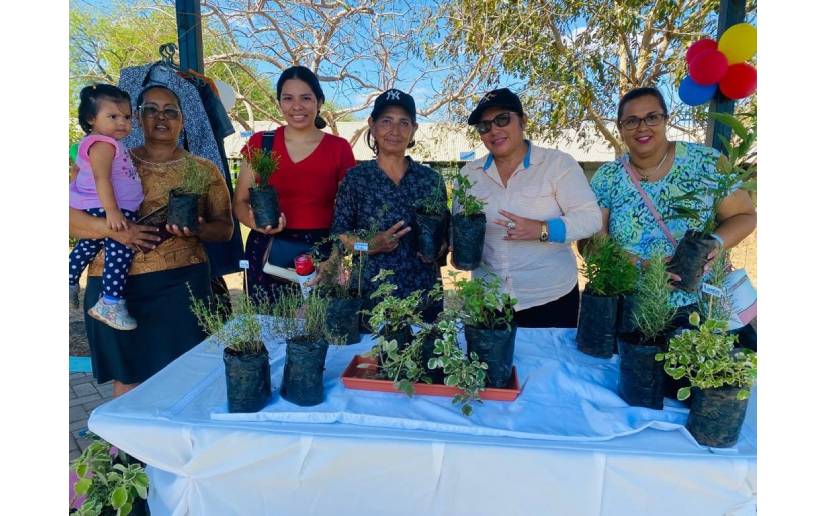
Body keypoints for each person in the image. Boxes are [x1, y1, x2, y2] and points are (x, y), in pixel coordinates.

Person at [69, 84, 234, 397]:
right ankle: (128, 435)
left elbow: (225, 229)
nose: (161, 117)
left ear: (183, 120)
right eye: (151, 110)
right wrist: (117, 230)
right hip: (115, 292)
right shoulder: (103, 156)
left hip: (182, 286)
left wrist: (197, 229)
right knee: (129, 381)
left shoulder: (204, 170)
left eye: (171, 111)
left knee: (188, 378)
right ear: (138, 117)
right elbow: (70, 218)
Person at [589, 86, 756, 331]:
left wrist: (715, 244)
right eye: (631, 121)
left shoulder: (707, 163)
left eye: (652, 117)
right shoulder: (608, 177)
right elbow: (594, 242)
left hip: (702, 306)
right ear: (620, 128)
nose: (642, 127)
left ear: (666, 119)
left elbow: (745, 215)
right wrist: (640, 265)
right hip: (632, 306)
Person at [459, 88, 602, 328]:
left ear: (523, 121)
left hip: (550, 298)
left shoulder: (558, 164)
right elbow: (461, 229)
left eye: (502, 119)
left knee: (550, 354)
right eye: (484, 126)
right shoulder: (468, 175)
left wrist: (542, 229)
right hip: (488, 299)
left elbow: (591, 219)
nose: (494, 130)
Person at [234, 66, 356, 301]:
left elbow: (349, 212)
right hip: (267, 250)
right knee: (266, 319)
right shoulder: (261, 143)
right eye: (288, 98)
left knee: (319, 320)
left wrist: (335, 257)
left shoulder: (339, 148)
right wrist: (255, 223)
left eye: (306, 98)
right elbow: (240, 201)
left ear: (319, 102)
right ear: (279, 103)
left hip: (320, 253)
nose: (297, 106)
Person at [331, 88, 448, 321]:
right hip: (370, 299)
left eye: (404, 122)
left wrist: (440, 246)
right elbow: (341, 237)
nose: (395, 130)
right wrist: (369, 244)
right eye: (386, 121)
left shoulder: (430, 180)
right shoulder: (356, 179)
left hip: (423, 297)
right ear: (372, 126)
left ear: (414, 129)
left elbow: (443, 237)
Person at [69, 84, 145, 330]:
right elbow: (102, 178)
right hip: (107, 207)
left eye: (127, 117)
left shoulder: (107, 142)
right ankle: (110, 302)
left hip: (104, 206)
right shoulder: (102, 144)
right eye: (113, 116)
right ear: (91, 119)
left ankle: (68, 278)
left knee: (89, 244)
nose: (122, 122)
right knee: (121, 248)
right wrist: (112, 211)